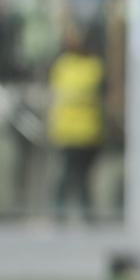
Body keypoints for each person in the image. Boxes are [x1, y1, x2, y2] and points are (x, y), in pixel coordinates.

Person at [47, 32, 105, 223]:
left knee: (78, 176)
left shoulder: (83, 67)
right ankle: (66, 212)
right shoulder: (89, 67)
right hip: (74, 130)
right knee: (72, 175)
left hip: (82, 131)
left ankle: (75, 212)